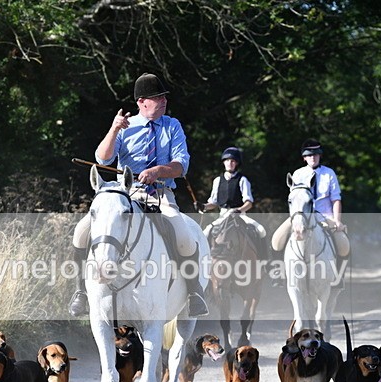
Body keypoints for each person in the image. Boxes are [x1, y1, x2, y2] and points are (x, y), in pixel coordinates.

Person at [69, 73, 209, 318]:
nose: (164, 101)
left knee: (185, 236)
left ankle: (194, 293)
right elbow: (103, 159)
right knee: (81, 231)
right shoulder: (125, 126)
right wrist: (114, 130)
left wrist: (158, 171)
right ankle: (81, 291)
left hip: (161, 194)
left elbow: (181, 165)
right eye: (158, 97)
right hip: (126, 194)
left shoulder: (172, 125)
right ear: (142, 101)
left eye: (164, 97)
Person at [271, 138, 350, 258]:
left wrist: (337, 220)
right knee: (277, 242)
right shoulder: (297, 174)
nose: (313, 158)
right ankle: (278, 270)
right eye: (310, 155)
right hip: (301, 216)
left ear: (320, 156)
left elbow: (336, 199)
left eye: (316, 155)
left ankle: (339, 273)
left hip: (325, 217)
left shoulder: (329, 173)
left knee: (343, 246)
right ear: (304, 158)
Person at [200, 147, 267, 254]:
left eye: (232, 161)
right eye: (227, 161)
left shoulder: (242, 180)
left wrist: (239, 210)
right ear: (223, 162)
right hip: (223, 216)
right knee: (205, 232)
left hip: (239, 215)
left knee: (261, 230)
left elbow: (249, 203)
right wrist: (203, 206)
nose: (229, 163)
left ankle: (265, 264)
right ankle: (203, 262)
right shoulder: (217, 181)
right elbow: (214, 202)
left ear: (236, 163)